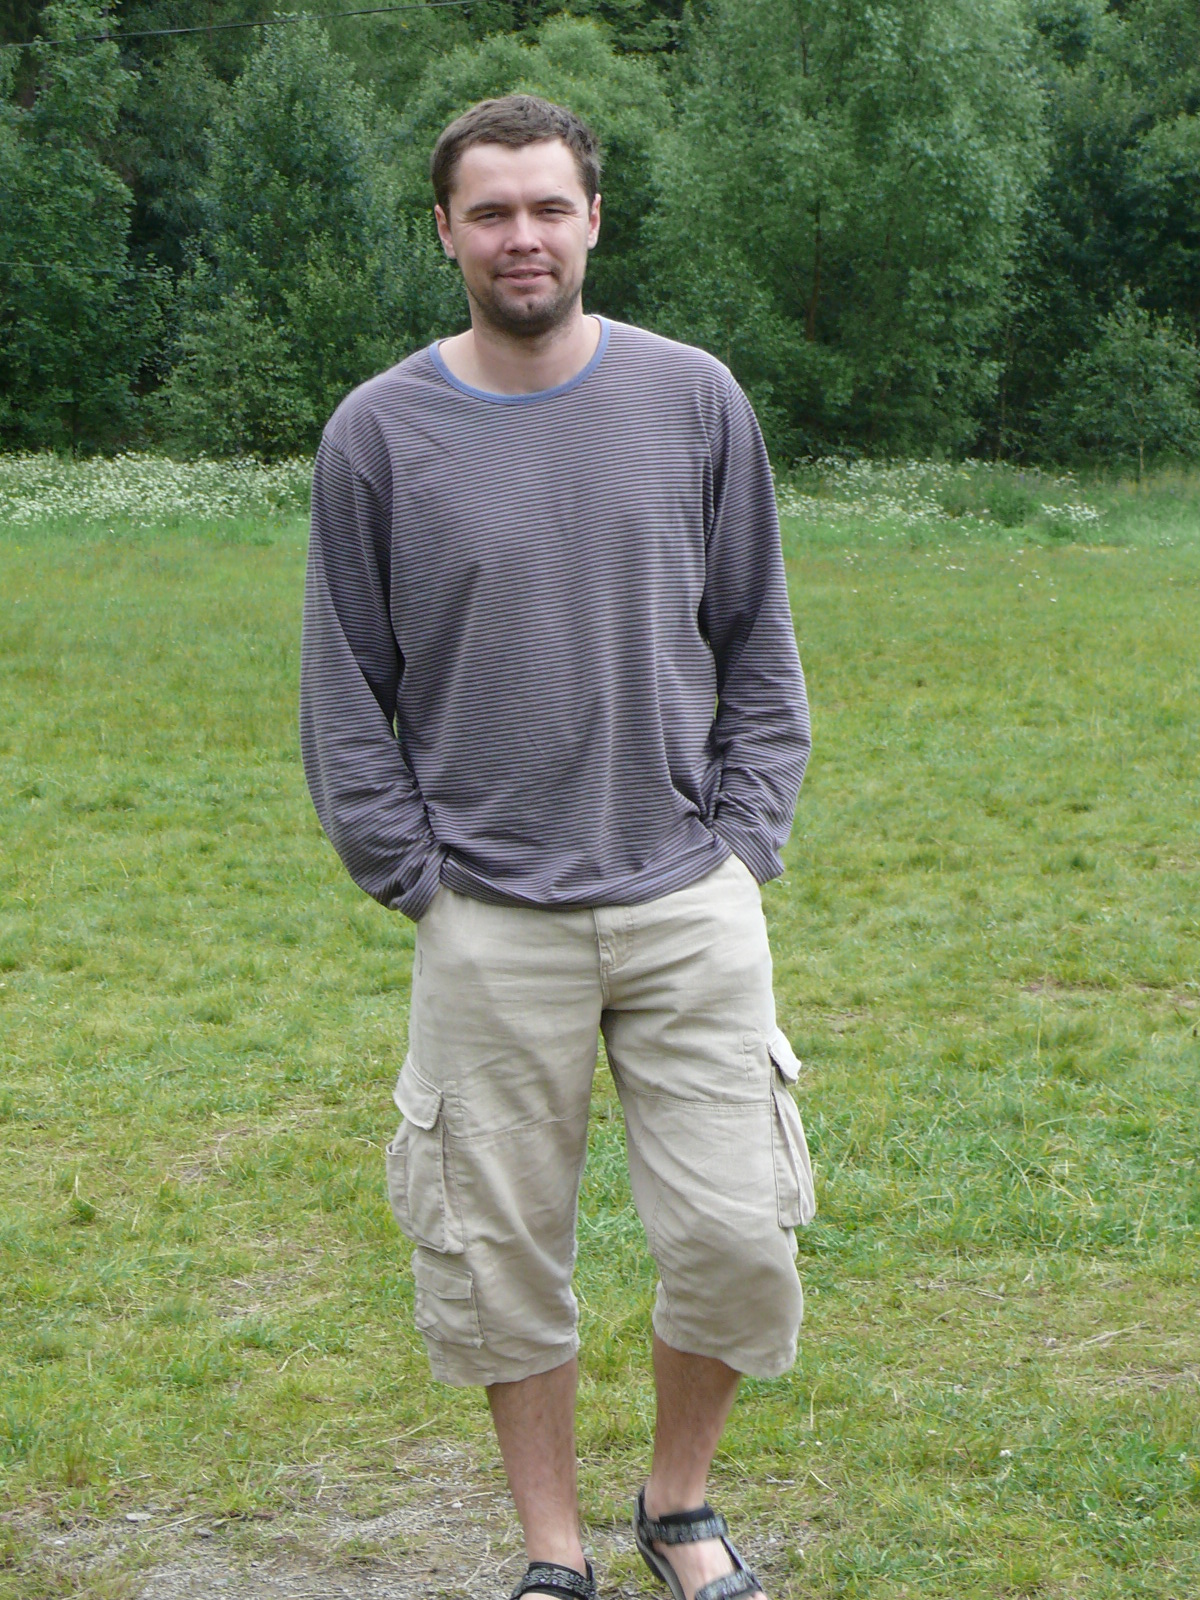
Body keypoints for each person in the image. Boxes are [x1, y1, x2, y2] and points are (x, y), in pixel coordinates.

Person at [300, 93, 815, 1600]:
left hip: (687, 901)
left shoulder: (693, 398)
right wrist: (417, 878)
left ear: (593, 218)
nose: (520, 236)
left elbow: (758, 638)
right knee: (497, 1254)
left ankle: (679, 1507)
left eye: (546, 206)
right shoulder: (378, 432)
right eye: (490, 211)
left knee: (738, 1234)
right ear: (445, 232)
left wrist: (743, 840)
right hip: (489, 916)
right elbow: (345, 686)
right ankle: (553, 1551)